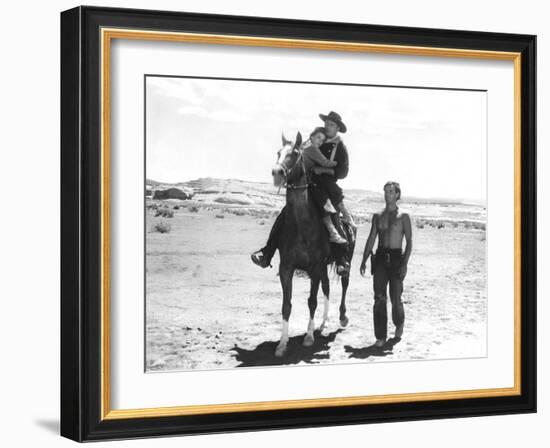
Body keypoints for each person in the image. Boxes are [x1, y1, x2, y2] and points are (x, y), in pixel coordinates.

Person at [251, 111, 354, 268]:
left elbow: (343, 171)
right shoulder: (315, 140)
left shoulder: (340, 147)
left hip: (326, 187)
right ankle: (268, 253)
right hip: (306, 185)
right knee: (285, 215)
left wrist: (323, 171)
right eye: (326, 123)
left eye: (331, 124)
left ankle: (340, 259)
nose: (327, 126)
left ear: (338, 128)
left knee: (331, 214)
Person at [359, 181, 412, 347]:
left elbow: (409, 241)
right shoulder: (378, 216)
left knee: (396, 298)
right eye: (385, 191)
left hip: (397, 259)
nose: (387, 194)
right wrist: (364, 259)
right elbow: (371, 238)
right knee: (379, 298)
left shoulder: (404, 216)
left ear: (397, 194)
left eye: (390, 191)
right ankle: (380, 336)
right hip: (381, 258)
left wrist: (405, 264)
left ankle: (399, 323)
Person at [302, 127, 347, 244]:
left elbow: (343, 172)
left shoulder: (304, 145)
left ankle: (268, 251)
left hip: (302, 181)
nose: (320, 142)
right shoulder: (312, 148)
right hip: (308, 180)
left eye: (322, 140)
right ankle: (334, 229)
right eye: (318, 138)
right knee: (322, 195)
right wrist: (336, 164)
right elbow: (325, 162)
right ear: (311, 136)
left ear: (337, 127)